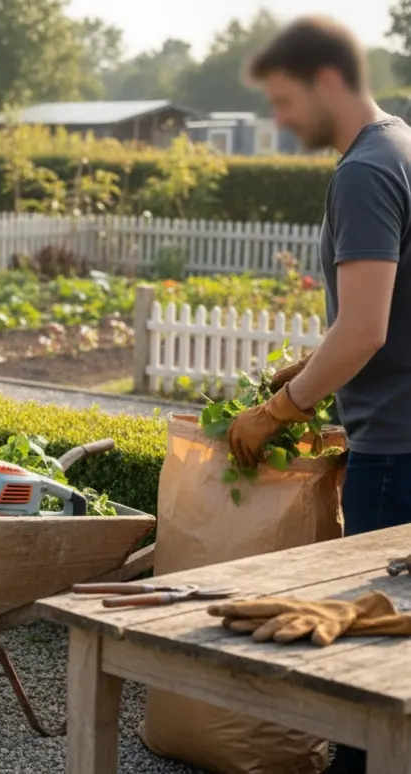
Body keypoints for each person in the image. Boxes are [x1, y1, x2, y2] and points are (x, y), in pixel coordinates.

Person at [228, 15, 411, 774]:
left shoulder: (363, 173)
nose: (280, 121)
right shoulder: (402, 142)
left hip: (397, 452)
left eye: (284, 100)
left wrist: (280, 410)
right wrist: (308, 365)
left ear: (327, 81)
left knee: (368, 666)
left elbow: (364, 330)